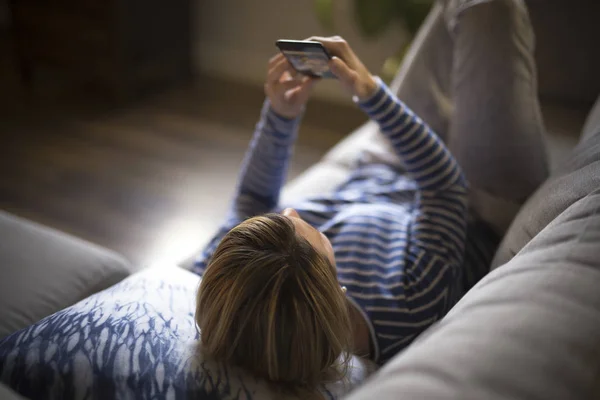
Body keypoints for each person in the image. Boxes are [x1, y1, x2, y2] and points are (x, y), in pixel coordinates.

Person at [194, 0, 548, 396]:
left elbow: (253, 199)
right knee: (487, 7)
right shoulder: (408, 306)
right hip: (479, 197)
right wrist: (370, 92)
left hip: (384, 167)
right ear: (337, 285)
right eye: (302, 228)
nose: (289, 208)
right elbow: (445, 187)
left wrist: (281, 114)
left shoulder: (235, 281)